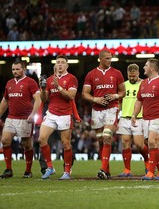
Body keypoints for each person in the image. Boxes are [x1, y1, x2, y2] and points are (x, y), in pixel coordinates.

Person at [82, 49, 125, 179]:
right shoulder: (91, 74)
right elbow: (85, 93)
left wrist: (115, 96)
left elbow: (123, 91)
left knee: (107, 137)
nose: (109, 60)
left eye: (110, 58)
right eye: (107, 58)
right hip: (97, 110)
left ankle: (102, 168)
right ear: (100, 59)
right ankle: (107, 171)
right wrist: (96, 99)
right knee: (100, 140)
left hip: (112, 109)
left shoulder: (117, 73)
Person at [132, 58, 159, 180]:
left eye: (145, 65)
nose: (143, 68)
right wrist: (134, 115)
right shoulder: (143, 83)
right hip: (146, 118)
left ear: (152, 68)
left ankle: (150, 173)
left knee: (152, 141)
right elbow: (138, 101)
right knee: (152, 144)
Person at [38, 55, 79, 180]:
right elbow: (44, 99)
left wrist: (59, 87)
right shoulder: (50, 79)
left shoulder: (72, 79)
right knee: (41, 139)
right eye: (58, 62)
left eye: (62, 62)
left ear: (67, 65)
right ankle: (50, 167)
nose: (60, 64)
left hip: (65, 114)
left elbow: (71, 96)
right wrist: (43, 89)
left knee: (66, 144)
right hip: (51, 113)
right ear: (55, 65)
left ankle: (67, 171)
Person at [0, 60, 41, 178]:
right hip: (11, 117)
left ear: (23, 69)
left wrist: (33, 114)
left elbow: (38, 99)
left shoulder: (30, 82)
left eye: (17, 69)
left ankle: (28, 171)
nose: (15, 71)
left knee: (26, 144)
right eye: (13, 69)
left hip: (25, 118)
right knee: (5, 140)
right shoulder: (9, 83)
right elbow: (5, 101)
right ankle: (8, 169)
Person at [116, 63, 149, 177]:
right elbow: (119, 101)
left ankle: (147, 161)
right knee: (125, 142)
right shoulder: (123, 85)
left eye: (134, 76)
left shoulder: (144, 84)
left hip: (139, 118)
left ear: (138, 73)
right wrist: (117, 115)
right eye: (130, 76)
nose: (131, 78)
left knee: (139, 145)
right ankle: (127, 169)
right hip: (125, 117)